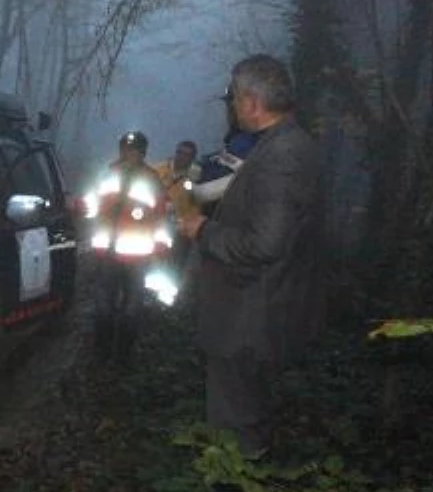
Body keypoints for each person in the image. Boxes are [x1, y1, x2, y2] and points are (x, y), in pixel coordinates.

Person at [177, 54, 323, 459]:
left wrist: (202, 230)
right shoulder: (285, 144)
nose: (233, 106)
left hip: (247, 321)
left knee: (235, 434)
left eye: (235, 97)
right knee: (242, 421)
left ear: (253, 103)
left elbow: (265, 244)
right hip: (253, 315)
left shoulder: (282, 156)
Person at [82, 131, 172, 358]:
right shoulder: (107, 174)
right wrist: (79, 206)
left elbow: (161, 217)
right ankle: (101, 352)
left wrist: (161, 245)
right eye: (125, 148)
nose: (128, 153)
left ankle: (124, 355)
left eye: (134, 149)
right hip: (107, 253)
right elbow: (93, 203)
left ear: (143, 153)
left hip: (137, 257)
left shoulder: (152, 180)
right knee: (103, 307)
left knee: (131, 310)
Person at [152, 140, 201, 272]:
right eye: (180, 153)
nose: (182, 157)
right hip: (156, 224)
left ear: (192, 158)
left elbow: (198, 204)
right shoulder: (158, 170)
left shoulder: (197, 178)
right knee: (153, 262)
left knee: (175, 267)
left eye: (187, 155)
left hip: (180, 230)